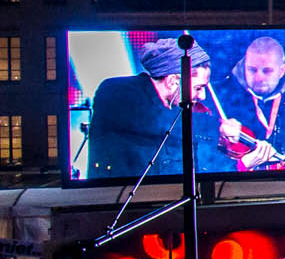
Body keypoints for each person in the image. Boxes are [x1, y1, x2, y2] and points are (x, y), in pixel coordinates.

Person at [85, 38, 216, 178]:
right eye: (198, 88)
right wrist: (215, 128)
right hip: (116, 196)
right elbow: (155, 122)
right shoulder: (117, 91)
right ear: (172, 82)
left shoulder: (174, 108)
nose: (202, 96)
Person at [213, 35, 285, 170]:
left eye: (267, 71)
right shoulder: (221, 96)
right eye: (252, 70)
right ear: (244, 66)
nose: (259, 77)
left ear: (282, 71)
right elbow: (208, 160)